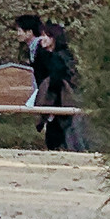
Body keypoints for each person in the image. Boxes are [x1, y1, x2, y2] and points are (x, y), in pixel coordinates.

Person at [17, 15, 76, 151]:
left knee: (57, 135)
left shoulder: (57, 58)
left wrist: (49, 101)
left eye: (46, 36)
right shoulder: (58, 55)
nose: (42, 39)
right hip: (57, 101)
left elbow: (55, 82)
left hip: (58, 101)